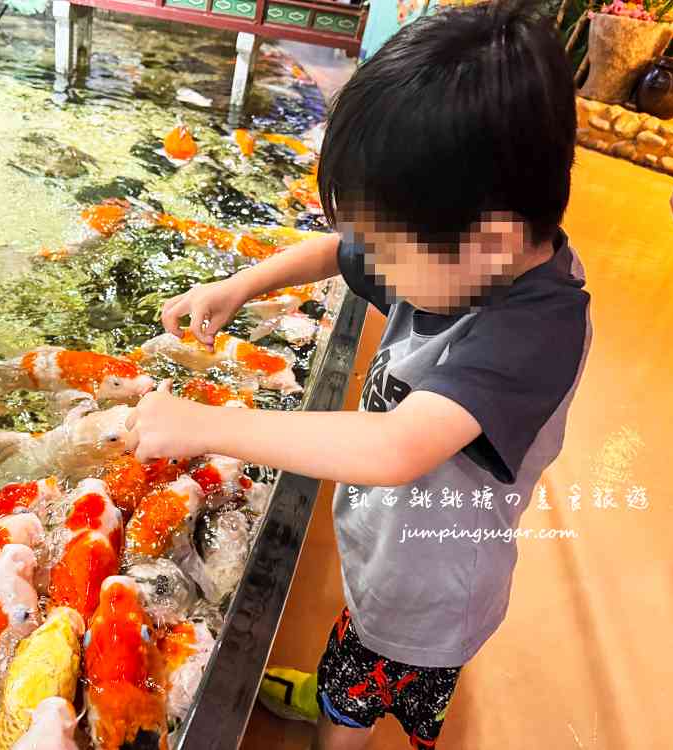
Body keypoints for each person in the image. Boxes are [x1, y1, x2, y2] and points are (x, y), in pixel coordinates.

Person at [124, 1, 591, 748]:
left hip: (430, 599)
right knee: (362, 652)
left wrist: (204, 424)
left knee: (358, 703)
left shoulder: (535, 331)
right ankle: (349, 684)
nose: (372, 264)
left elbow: (394, 448)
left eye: (388, 248)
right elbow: (332, 253)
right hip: (394, 558)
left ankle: (344, 715)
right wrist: (238, 286)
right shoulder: (459, 254)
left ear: (494, 240)